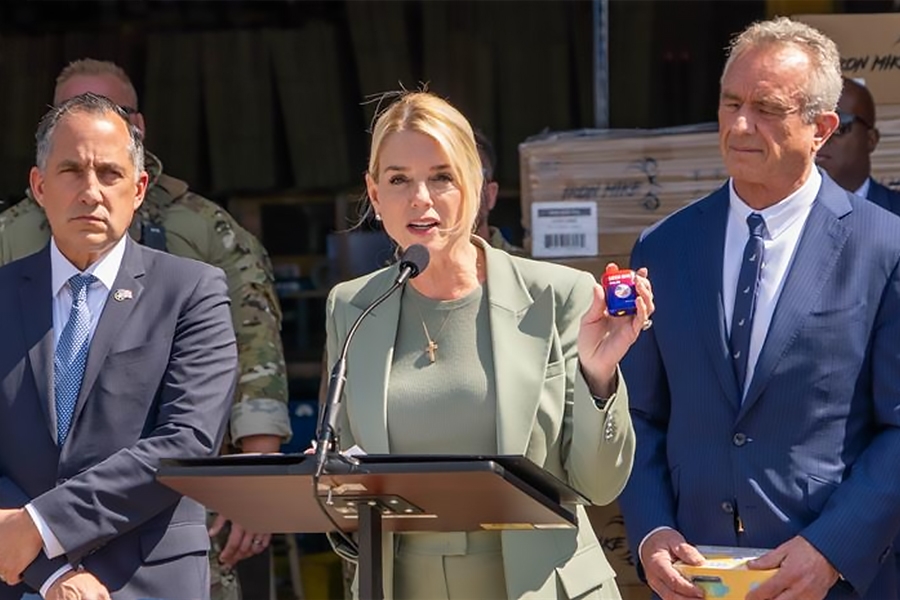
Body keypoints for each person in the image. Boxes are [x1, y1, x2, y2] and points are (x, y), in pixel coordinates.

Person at [325, 90, 653, 599]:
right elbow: (355, 479)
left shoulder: (560, 295)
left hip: (542, 586)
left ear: (476, 186)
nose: (420, 198)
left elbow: (599, 486)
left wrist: (599, 376)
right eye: (398, 180)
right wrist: (328, 484)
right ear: (373, 194)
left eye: (441, 176)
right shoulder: (351, 306)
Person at [618, 16, 900, 600]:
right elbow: (639, 413)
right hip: (694, 580)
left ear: (821, 128)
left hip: (829, 583)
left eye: (767, 108)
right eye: (730, 103)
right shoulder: (663, 248)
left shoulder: (883, 248)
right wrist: (651, 532)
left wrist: (833, 548)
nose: (741, 125)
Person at [0, 59, 291, 598]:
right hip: (18, 578)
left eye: (109, 173)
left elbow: (187, 439)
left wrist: (41, 527)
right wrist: (51, 572)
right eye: (70, 171)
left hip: (149, 575)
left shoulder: (193, 286)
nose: (90, 191)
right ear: (39, 185)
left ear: (138, 187)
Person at [816, 77, 900, 216]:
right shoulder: (776, 213)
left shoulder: (895, 216)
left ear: (871, 139)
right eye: (812, 125)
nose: (821, 137)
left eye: (837, 127)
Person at [472, 128, 524, 254]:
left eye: (471, 175)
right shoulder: (417, 270)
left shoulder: (524, 270)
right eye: (443, 178)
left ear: (491, 194)